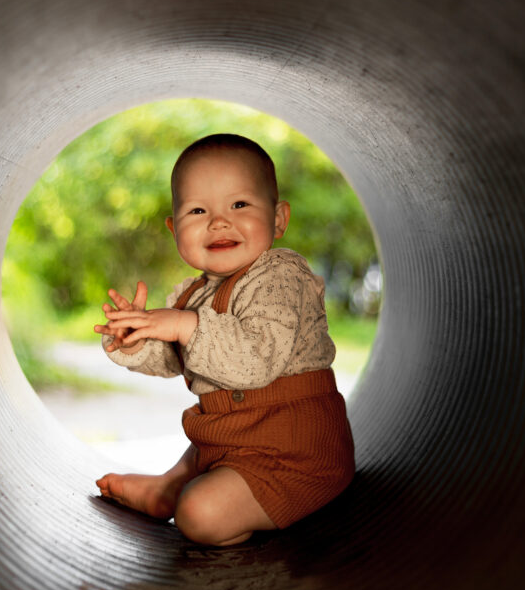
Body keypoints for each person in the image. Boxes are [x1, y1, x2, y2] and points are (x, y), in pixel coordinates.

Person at [94, 133, 355, 546]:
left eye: (239, 205)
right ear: (173, 227)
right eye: (197, 210)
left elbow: (257, 359)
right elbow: (176, 358)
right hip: (231, 441)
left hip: (294, 455)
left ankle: (186, 497)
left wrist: (183, 326)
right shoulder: (193, 293)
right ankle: (169, 487)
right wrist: (137, 341)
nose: (218, 221)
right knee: (205, 443)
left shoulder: (282, 277)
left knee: (200, 513)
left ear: (279, 218)